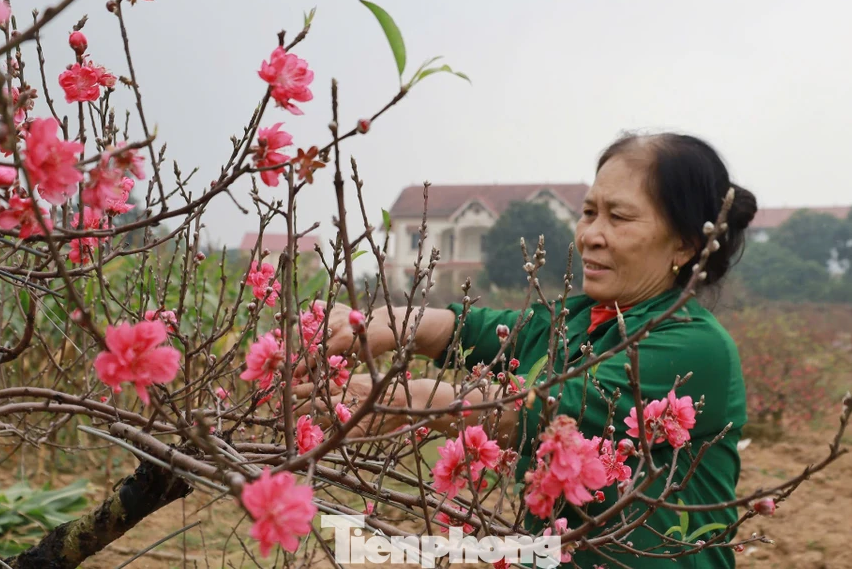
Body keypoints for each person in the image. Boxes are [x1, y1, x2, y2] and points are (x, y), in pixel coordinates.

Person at [299, 132, 756, 567]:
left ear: (685, 244)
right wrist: (378, 324)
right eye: (589, 212)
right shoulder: (580, 318)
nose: (591, 235)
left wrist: (405, 400)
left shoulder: (695, 346)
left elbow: (542, 412)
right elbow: (471, 330)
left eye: (618, 217)